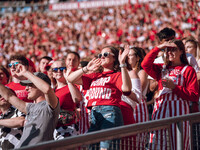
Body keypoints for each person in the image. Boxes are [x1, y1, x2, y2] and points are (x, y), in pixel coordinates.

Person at [67, 45, 135, 150]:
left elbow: (126, 89)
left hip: (110, 112)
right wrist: (86, 69)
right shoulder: (95, 76)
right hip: (94, 114)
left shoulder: (116, 75)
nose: (102, 57)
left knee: (106, 148)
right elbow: (70, 79)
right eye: (100, 55)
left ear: (114, 59)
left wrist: (122, 64)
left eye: (106, 54)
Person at [141, 39, 199, 150]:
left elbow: (194, 95)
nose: (170, 53)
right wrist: (159, 47)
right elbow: (145, 64)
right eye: (167, 50)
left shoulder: (188, 69)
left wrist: (175, 87)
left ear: (181, 51)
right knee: (156, 144)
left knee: (178, 144)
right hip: (160, 110)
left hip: (179, 112)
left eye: (174, 50)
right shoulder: (161, 68)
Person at [0, 64, 60, 148]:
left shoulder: (50, 105)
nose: (26, 88)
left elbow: (47, 89)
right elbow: (9, 96)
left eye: (30, 85)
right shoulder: (29, 107)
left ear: (40, 86)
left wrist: (26, 72)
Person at [51, 60, 82, 140]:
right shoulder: (52, 90)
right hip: (54, 129)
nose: (58, 71)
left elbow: (77, 99)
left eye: (61, 68)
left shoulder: (70, 86)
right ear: (52, 74)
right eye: (55, 70)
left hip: (68, 127)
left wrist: (68, 80)